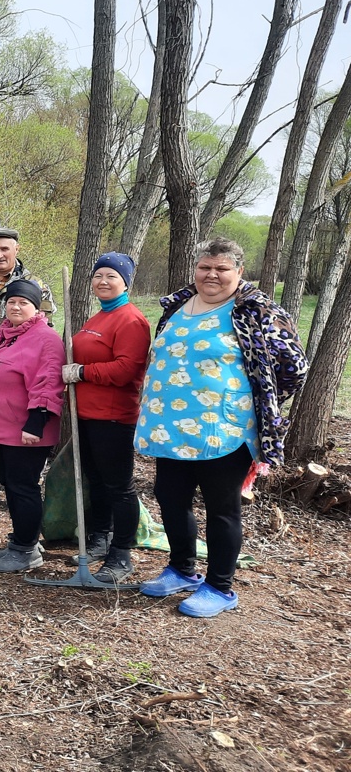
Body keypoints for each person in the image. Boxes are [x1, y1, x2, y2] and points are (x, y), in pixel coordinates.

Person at [134, 237, 307, 617]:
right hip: (172, 428)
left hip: (225, 430)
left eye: (222, 269)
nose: (212, 274)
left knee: (221, 508)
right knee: (170, 497)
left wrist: (257, 400)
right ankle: (182, 569)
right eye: (205, 267)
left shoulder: (255, 310)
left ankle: (220, 587)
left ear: (239, 272)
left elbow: (294, 367)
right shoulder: (178, 304)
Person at [60, 252, 151, 582]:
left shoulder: (131, 320)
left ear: (125, 282)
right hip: (85, 415)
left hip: (113, 417)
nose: (103, 281)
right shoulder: (97, 318)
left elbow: (128, 370)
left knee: (118, 487)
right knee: (95, 481)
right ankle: (101, 537)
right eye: (98, 276)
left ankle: (122, 554)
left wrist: (83, 372)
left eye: (111, 276)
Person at [0, 279, 66, 572]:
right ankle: (22, 540)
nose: (16, 306)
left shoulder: (45, 338)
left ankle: (26, 549)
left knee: (22, 487)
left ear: (36, 308)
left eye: (23, 302)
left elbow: (49, 383)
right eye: (12, 301)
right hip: (1, 429)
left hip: (25, 431)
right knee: (11, 486)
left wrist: (35, 422)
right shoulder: (4, 334)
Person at [0, 226, 56, 506]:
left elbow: (44, 327)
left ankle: (10, 483)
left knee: (11, 422)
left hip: (17, 365)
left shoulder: (34, 284)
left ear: (16, 250)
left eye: (5, 248)